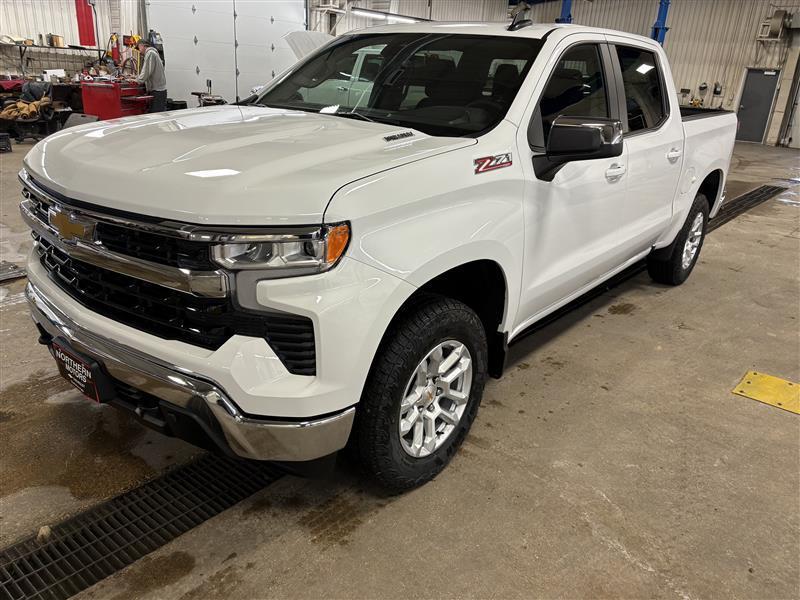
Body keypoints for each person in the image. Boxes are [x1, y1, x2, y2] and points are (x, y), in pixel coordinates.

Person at [135, 39, 167, 112]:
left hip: (158, 91)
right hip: (158, 91)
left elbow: (147, 70)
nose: (139, 51)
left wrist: (138, 80)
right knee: (156, 115)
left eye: (139, 48)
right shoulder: (153, 53)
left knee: (156, 116)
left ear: (143, 46)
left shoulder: (150, 53)